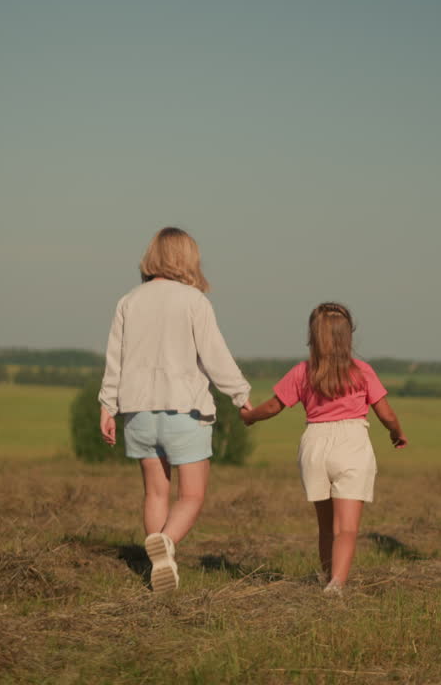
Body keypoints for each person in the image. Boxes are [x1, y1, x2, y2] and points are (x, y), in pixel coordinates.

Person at [98, 227, 252, 593]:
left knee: (155, 494)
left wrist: (107, 406)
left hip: (137, 412)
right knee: (192, 496)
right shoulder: (194, 302)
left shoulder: (128, 301)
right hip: (185, 412)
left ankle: (157, 565)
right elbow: (215, 357)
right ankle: (166, 544)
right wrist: (241, 395)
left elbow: (114, 359)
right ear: (188, 259)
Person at [239, 302, 407, 594]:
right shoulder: (363, 372)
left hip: (314, 445)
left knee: (326, 526)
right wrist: (397, 433)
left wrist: (250, 417)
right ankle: (337, 585)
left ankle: (328, 576)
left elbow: (273, 406)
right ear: (349, 336)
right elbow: (387, 414)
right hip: (351, 443)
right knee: (347, 527)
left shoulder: (303, 372)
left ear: (313, 336)